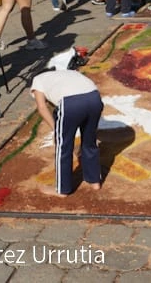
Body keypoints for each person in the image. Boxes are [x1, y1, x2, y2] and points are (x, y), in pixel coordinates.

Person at [31, 47, 103, 196]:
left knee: (63, 147)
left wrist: (56, 130)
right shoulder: (67, 73)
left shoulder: (37, 80)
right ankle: (94, 181)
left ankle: (62, 189)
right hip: (95, 97)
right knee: (90, 142)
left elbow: (42, 108)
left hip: (71, 102)